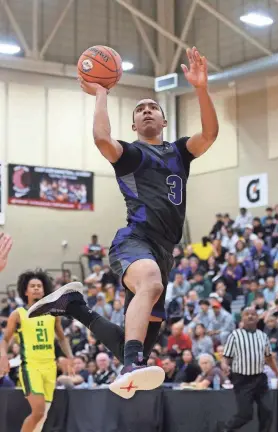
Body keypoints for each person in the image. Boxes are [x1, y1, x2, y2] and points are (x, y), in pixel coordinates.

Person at [27, 46, 219, 399]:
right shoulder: (132, 154)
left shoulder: (179, 152)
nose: (147, 111)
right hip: (135, 240)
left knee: (140, 344)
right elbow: (102, 139)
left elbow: (208, 135)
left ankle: (75, 308)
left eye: (153, 108)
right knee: (149, 285)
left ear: (163, 121)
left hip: (165, 251)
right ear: (134, 125)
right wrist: (101, 91)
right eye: (140, 110)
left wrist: (201, 89)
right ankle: (129, 366)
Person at [0, 270, 74, 432]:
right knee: (38, 411)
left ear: (44, 290)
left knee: (43, 415)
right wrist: (3, 355)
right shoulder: (18, 314)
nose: (36, 289)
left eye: (39, 286)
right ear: (25, 291)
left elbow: (61, 338)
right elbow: (5, 339)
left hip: (50, 367)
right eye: (32, 286)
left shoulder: (53, 313)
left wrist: (70, 356)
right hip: (30, 367)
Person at [218, 307, 278, 432]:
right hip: (242, 379)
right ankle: (226, 429)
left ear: (257, 318)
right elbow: (226, 357)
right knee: (245, 414)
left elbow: (269, 359)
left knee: (267, 411)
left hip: (259, 378)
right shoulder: (235, 335)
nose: (250, 316)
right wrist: (224, 365)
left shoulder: (263, 336)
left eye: (253, 314)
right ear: (242, 317)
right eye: (247, 314)